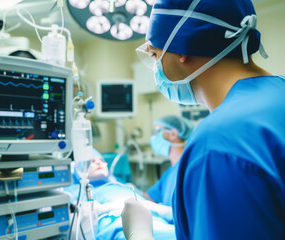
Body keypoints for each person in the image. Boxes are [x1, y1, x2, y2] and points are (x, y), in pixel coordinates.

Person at [121, 0, 285, 239]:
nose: (156, 66)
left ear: (182, 48)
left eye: (156, 55)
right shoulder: (278, 93)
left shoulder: (218, 143)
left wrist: (139, 233)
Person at [64, 148, 176, 240]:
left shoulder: (118, 184)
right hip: (119, 227)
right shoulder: (74, 190)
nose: (98, 162)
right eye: (91, 161)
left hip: (156, 221)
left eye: (101, 160)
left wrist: (157, 208)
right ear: (76, 169)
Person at [144, 115, 193, 210]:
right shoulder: (170, 171)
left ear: (173, 134)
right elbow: (149, 198)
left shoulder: (187, 167)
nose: (153, 137)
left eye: (157, 131)